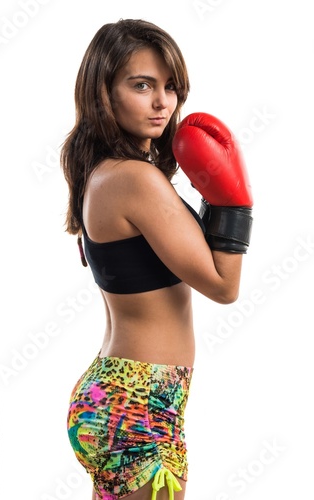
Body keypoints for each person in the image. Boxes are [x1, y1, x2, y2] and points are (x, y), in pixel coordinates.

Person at [62, 19, 253, 500]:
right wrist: (234, 205)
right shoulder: (135, 180)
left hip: (118, 396)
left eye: (170, 87)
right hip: (138, 407)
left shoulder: (102, 174)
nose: (162, 102)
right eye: (141, 85)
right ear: (103, 92)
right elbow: (223, 286)